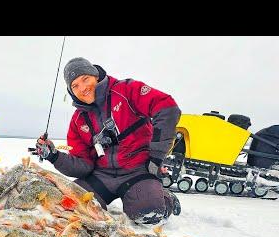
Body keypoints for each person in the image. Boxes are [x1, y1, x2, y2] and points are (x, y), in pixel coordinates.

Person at [29, 57, 181, 225]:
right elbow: (83, 166)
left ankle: (166, 198)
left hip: (138, 171)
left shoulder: (126, 90)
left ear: (96, 75)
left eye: (85, 79)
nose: (83, 88)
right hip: (101, 176)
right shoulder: (77, 121)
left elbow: (168, 108)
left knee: (148, 214)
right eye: (75, 86)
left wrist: (156, 157)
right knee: (70, 207)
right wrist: (54, 156)